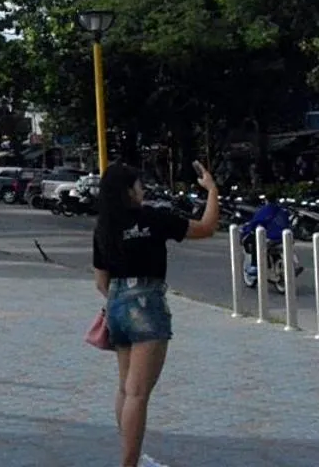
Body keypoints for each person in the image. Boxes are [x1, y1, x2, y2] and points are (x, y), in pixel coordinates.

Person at [93, 159, 219, 467]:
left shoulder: (104, 227)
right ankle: (129, 463)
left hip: (117, 304)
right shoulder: (154, 218)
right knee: (138, 393)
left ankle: (130, 452)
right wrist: (212, 190)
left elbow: (101, 281)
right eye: (139, 184)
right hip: (148, 303)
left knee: (126, 388)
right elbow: (206, 227)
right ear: (128, 190)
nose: (143, 189)